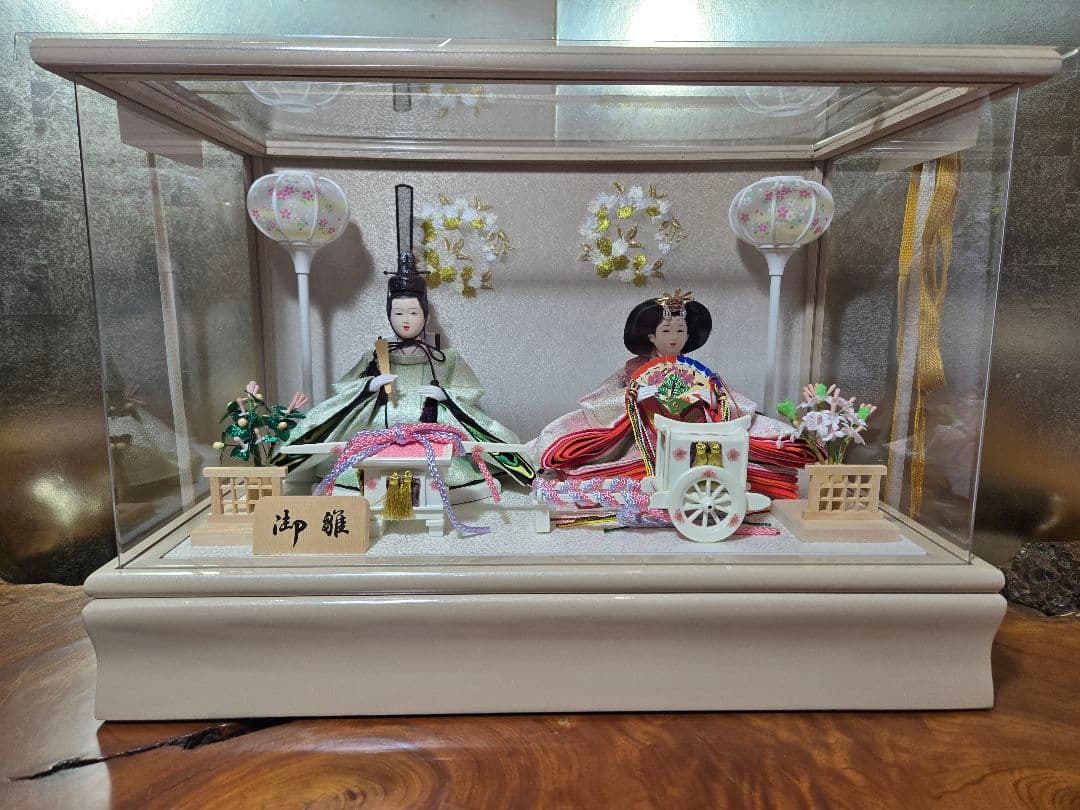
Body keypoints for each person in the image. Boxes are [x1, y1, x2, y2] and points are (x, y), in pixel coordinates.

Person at [279, 252, 534, 491]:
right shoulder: (375, 356)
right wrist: (368, 387)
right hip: (380, 439)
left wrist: (446, 396)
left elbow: (469, 391)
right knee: (361, 470)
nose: (406, 320)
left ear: (425, 315)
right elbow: (344, 391)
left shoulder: (445, 358)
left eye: (413, 312)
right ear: (389, 315)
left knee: (451, 467)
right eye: (398, 313)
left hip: (431, 437)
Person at [533, 290, 812, 498]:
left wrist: (712, 397)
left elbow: (732, 400)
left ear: (688, 335)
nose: (674, 337)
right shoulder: (634, 369)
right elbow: (601, 399)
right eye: (666, 330)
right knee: (602, 457)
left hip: (693, 430)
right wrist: (636, 395)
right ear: (651, 337)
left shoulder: (699, 371)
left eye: (681, 330)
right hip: (644, 435)